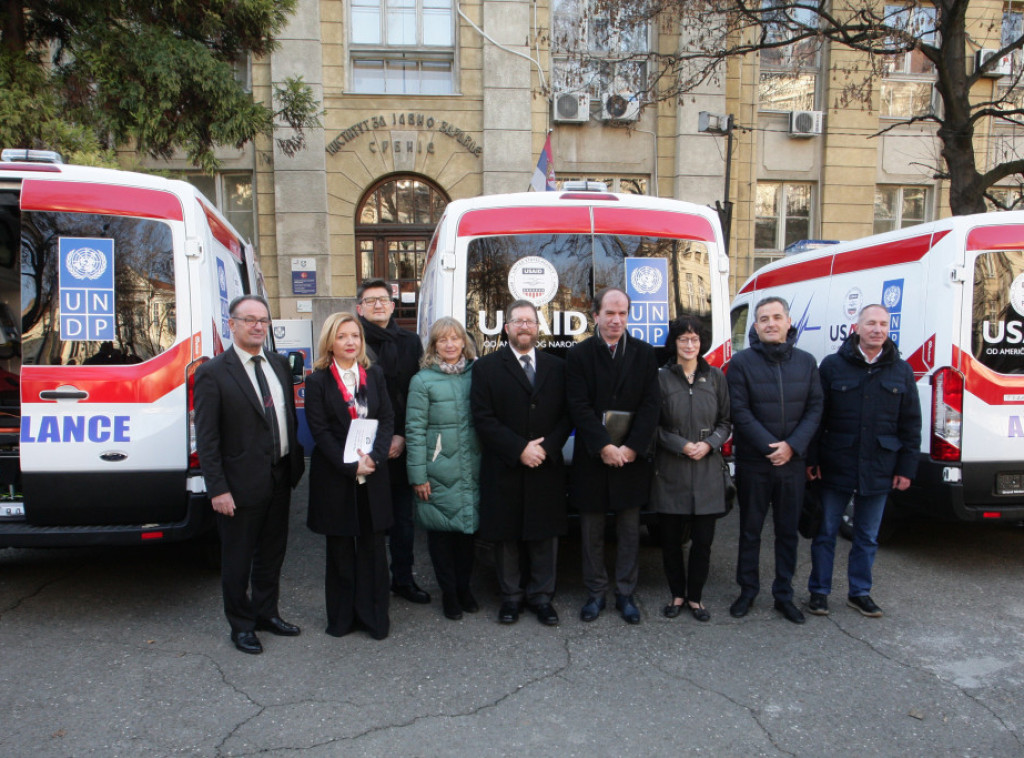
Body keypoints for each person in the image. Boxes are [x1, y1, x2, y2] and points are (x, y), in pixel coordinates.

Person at [194, 295, 305, 655]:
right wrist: (217, 489)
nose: (258, 326)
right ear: (233, 324)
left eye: (263, 320)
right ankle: (240, 625)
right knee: (238, 558)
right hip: (238, 486)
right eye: (250, 320)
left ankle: (266, 613)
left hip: (279, 476)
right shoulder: (212, 372)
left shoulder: (277, 363)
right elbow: (207, 439)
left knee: (273, 553)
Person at [806, 304, 921, 618]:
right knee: (826, 531)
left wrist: (906, 468)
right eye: (871, 323)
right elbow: (817, 417)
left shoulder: (901, 370)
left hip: (880, 466)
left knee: (868, 536)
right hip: (836, 462)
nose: (878, 329)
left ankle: (859, 593)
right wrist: (812, 458)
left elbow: (911, 424)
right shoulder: (832, 366)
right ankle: (819, 591)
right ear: (856, 327)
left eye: (884, 324)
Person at [471, 300, 572, 626]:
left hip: (546, 465)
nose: (524, 327)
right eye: (518, 321)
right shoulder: (486, 368)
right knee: (507, 537)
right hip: (506, 466)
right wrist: (519, 449)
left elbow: (569, 414)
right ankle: (511, 598)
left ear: (537, 328)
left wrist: (547, 448)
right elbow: (482, 418)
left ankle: (542, 598)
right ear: (507, 328)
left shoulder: (557, 367)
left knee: (544, 535)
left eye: (530, 321)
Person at [566, 287, 660, 624]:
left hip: (631, 458)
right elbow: (577, 406)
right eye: (609, 313)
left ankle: (625, 593)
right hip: (594, 457)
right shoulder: (578, 356)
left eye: (622, 313)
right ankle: (595, 593)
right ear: (596, 316)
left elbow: (651, 405)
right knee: (591, 531)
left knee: (629, 530)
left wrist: (631, 447)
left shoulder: (645, 354)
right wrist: (604, 446)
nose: (616, 320)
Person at [726, 296, 822, 625]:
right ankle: (747, 591)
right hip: (756, 463)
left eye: (776, 317)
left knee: (787, 533)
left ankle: (784, 595)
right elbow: (739, 411)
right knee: (750, 531)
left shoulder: (807, 363)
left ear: (788, 322)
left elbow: (815, 409)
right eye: (763, 318)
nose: (770, 323)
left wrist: (793, 446)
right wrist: (772, 447)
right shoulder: (741, 364)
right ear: (755, 326)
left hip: (792, 464)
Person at [305, 312, 395, 639]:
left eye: (355, 336)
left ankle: (374, 619)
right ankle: (342, 620)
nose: (350, 342)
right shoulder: (316, 382)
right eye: (342, 336)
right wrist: (349, 465)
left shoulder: (375, 376)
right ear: (330, 341)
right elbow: (320, 431)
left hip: (373, 472)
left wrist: (374, 457)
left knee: (373, 550)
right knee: (341, 551)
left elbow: (386, 419)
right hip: (336, 478)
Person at [651, 316, 731, 623]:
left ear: (701, 343)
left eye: (694, 339)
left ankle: (696, 598)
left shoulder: (716, 379)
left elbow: (726, 422)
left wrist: (709, 443)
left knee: (703, 542)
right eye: (683, 339)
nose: (689, 345)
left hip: (708, 470)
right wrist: (679, 445)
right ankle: (677, 595)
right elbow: (653, 426)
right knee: (670, 542)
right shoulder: (660, 379)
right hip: (671, 469)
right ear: (674, 344)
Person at [356, 278, 430, 606]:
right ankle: (370, 581)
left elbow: (413, 394)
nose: (377, 305)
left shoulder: (410, 342)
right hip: (364, 444)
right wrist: (376, 442)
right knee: (368, 518)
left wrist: (401, 435)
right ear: (359, 308)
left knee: (403, 520)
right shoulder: (351, 339)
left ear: (392, 304)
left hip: (400, 443)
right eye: (370, 301)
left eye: (383, 300)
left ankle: (403, 578)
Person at [406, 317, 481, 621]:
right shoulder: (422, 381)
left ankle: (464, 588)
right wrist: (418, 475)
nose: (450, 345)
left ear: (465, 342)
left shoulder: (477, 375)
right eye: (442, 340)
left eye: (455, 338)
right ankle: (449, 593)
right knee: (441, 535)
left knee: (467, 535)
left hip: (473, 467)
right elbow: (414, 430)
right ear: (433, 346)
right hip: (438, 470)